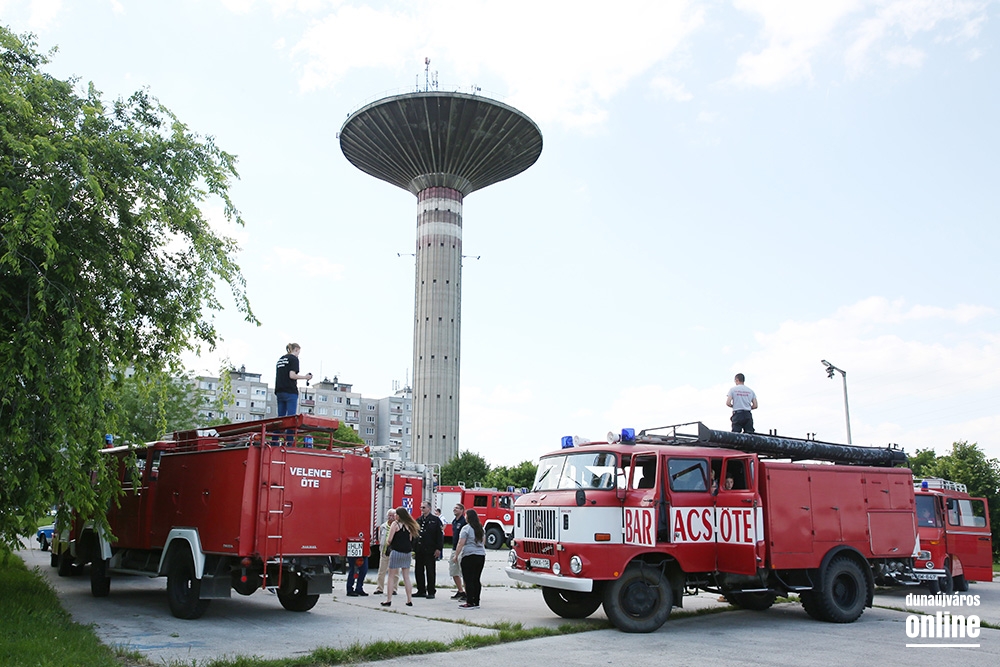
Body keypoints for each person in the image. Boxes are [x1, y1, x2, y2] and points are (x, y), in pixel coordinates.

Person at [381, 506, 418, 607]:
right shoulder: (410, 525)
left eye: (396, 514)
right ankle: (409, 599)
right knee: (406, 577)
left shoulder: (395, 524)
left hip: (396, 551)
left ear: (399, 515)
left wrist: (388, 544)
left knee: (391, 576)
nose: (395, 516)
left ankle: (388, 599)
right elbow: (410, 539)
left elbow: (389, 539)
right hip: (407, 553)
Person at [454, 509, 486, 609]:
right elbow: (483, 542)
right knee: (476, 579)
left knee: (468, 579)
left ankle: (470, 602)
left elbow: (461, 543)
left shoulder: (466, 528)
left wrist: (456, 555)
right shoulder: (481, 528)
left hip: (469, 555)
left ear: (468, 517)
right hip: (480, 555)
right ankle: (476, 601)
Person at [413, 500, 443, 599]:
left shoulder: (435, 520)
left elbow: (439, 536)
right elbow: (416, 534)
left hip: (430, 550)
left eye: (424, 507)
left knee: (430, 571)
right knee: (418, 570)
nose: (422, 509)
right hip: (420, 549)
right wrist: (414, 547)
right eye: (421, 507)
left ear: (429, 509)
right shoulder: (419, 520)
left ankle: (431, 591)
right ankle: (421, 590)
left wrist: (438, 548)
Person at [274, 343, 313, 417]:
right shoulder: (294, 359)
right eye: (298, 352)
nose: (298, 355)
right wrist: (305, 377)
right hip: (290, 391)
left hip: (279, 390)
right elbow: (292, 375)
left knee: (280, 417)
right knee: (291, 417)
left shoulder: (281, 359)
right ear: (296, 349)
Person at [374, 509, 396, 595]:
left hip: (394, 552)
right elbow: (380, 537)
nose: (391, 517)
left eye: (393, 515)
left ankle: (394, 589)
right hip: (384, 551)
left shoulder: (397, 526)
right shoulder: (383, 526)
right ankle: (380, 588)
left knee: (395, 572)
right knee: (381, 571)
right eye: (389, 515)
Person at [449, 503, 467, 600]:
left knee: (463, 572)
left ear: (462, 510)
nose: (454, 509)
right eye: (454, 508)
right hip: (454, 548)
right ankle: (460, 591)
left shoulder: (464, 521)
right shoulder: (454, 521)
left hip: (462, 549)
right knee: (453, 570)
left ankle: (467, 593)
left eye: (457, 508)